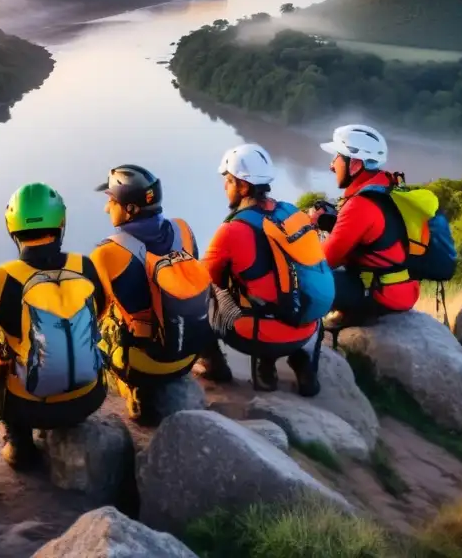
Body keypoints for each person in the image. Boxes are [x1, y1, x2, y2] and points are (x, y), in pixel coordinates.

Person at [0, 183, 107, 470]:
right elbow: (99, 316)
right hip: (89, 397)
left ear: (11, 229)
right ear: (61, 223)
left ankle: (19, 444)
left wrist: (5, 364)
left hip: (28, 408)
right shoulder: (87, 266)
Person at [200, 143, 335, 396]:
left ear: (243, 186)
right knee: (273, 288)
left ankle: (217, 367)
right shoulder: (290, 213)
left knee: (202, 300)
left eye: (228, 181)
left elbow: (206, 278)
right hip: (306, 325)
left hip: (260, 334)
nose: (224, 186)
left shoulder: (231, 231)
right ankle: (296, 360)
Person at [90, 164, 214, 425]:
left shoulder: (106, 253)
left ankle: (135, 391)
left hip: (144, 365)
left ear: (130, 208)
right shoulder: (183, 230)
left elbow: (94, 314)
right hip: (189, 354)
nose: (106, 208)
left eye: (111, 201)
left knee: (98, 325)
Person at [310, 124, 420, 325]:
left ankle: (303, 343)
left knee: (305, 281)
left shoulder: (361, 204)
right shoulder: (386, 185)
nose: (332, 165)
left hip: (380, 293)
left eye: (337, 157)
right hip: (401, 287)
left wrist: (306, 233)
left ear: (354, 164)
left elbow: (324, 261)